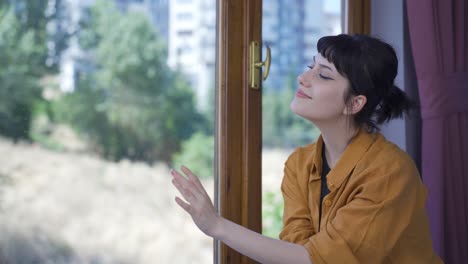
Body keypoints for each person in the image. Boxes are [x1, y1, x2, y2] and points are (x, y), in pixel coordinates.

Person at [170, 34, 443, 264]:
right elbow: (297, 251)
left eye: (323, 75)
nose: (303, 78)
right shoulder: (299, 165)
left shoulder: (390, 173)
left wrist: (217, 226)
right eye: (311, 67)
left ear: (354, 103)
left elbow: (315, 259)